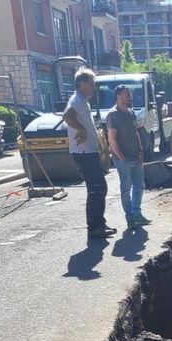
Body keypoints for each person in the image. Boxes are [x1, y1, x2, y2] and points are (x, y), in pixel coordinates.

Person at [63, 67, 116, 239]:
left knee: (98, 188)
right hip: (84, 152)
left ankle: (99, 223)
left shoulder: (82, 100)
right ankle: (94, 227)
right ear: (82, 84)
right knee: (97, 188)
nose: (94, 87)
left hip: (88, 151)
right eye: (91, 83)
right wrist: (81, 130)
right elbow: (67, 116)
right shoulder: (76, 100)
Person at [106, 85, 150, 230]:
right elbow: (112, 139)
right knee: (126, 188)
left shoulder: (131, 113)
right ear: (119, 97)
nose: (130, 97)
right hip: (122, 159)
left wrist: (140, 149)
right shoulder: (113, 115)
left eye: (130, 94)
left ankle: (137, 213)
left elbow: (135, 133)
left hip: (135, 155)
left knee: (139, 185)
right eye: (127, 95)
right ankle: (130, 217)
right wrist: (122, 158)